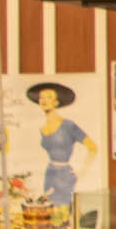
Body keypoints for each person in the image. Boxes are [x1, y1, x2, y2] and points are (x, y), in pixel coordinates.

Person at [24, 81, 97, 209]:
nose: (44, 100)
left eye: (49, 97)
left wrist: (82, 171)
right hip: (50, 173)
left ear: (56, 102)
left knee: (63, 209)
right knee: (49, 208)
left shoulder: (68, 125)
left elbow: (92, 147)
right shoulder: (43, 128)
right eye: (41, 97)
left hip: (64, 175)